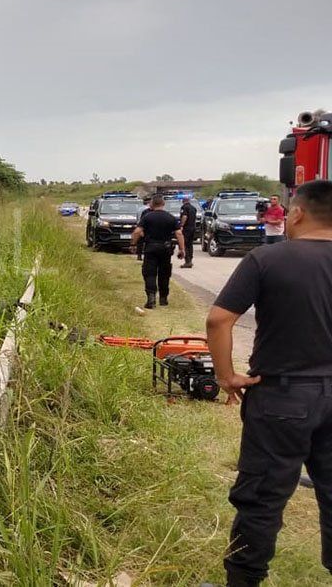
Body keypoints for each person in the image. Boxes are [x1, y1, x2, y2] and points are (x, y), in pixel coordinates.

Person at [206, 179, 332, 587]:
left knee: (261, 498)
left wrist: (226, 376)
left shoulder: (267, 259)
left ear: (295, 214)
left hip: (281, 396)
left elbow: (219, 320)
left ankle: (243, 582)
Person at [130, 194, 185, 309]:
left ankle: (151, 298)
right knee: (164, 274)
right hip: (165, 249)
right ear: (163, 204)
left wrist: (133, 244)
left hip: (151, 248)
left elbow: (137, 231)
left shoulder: (147, 217)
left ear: (152, 204)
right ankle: (163, 299)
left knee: (149, 273)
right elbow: (179, 233)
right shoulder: (170, 217)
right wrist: (182, 249)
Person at [179, 194, 198, 268]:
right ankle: (190, 260)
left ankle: (187, 261)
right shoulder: (193, 208)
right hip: (193, 228)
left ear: (183, 201)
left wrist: (181, 225)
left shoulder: (184, 207)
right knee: (190, 244)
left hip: (186, 228)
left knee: (185, 244)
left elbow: (184, 216)